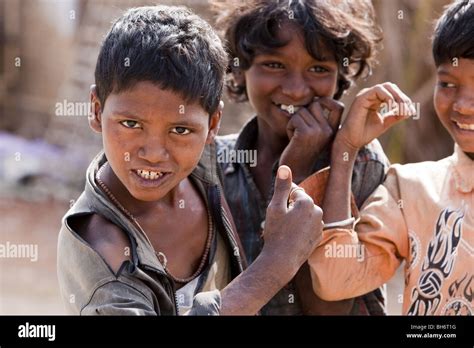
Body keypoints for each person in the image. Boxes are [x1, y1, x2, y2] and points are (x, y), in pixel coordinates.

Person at [57, 5, 323, 315]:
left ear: (212, 125)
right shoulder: (97, 246)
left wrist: (344, 146)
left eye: (180, 129)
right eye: (130, 124)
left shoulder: (212, 168)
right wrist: (274, 264)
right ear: (96, 109)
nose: (154, 153)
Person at [213, 0, 389, 314]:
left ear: (340, 77)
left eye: (318, 68)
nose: (295, 90)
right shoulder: (212, 166)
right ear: (240, 71)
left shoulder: (362, 162)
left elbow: (328, 310)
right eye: (274, 65)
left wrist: (298, 170)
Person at [308, 0, 474, 315]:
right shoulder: (411, 190)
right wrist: (345, 148)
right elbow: (334, 278)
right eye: (449, 84)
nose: (463, 105)